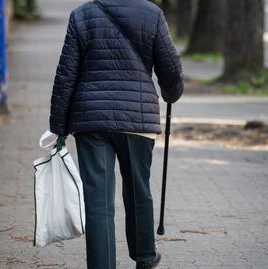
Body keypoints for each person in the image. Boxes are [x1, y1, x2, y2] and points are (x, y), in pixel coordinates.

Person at [49, 0, 183, 268]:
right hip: (137, 119)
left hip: (92, 120)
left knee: (98, 201)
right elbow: (170, 68)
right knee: (138, 190)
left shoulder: (81, 15)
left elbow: (66, 74)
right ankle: (145, 256)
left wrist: (59, 125)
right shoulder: (151, 14)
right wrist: (171, 92)